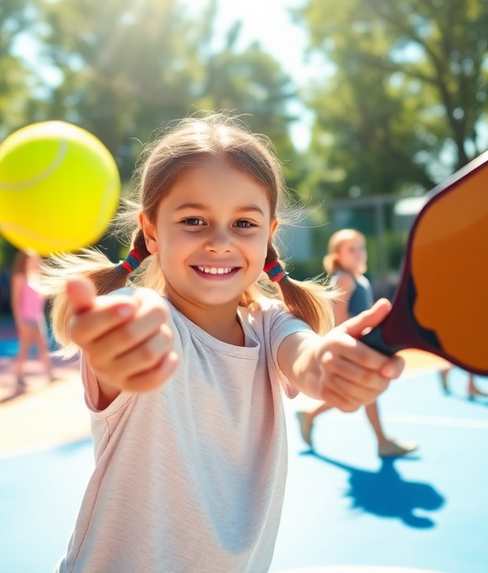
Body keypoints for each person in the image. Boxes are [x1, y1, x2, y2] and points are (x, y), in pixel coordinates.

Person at [41, 116, 403, 572]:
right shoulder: (146, 320)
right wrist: (118, 337)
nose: (219, 242)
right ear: (151, 231)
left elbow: (306, 356)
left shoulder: (272, 327)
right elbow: (135, 328)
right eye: (193, 220)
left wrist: (328, 365)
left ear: (269, 235)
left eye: (244, 223)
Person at [295, 229, 415, 457]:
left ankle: (310, 415)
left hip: (364, 344)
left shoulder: (359, 279)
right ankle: (382, 442)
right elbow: (340, 320)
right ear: (337, 255)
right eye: (351, 249)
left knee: (361, 393)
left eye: (361, 247)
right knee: (366, 394)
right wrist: (370, 328)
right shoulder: (344, 279)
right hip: (353, 345)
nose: (359, 252)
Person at [11, 249, 56, 388]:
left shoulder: (37, 277)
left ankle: (50, 375)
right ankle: (18, 376)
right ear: (24, 260)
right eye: (31, 259)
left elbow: (42, 297)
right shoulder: (20, 277)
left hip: (38, 318)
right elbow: (15, 301)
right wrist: (20, 322)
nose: (35, 261)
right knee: (24, 348)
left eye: (36, 259)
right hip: (25, 318)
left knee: (43, 346)